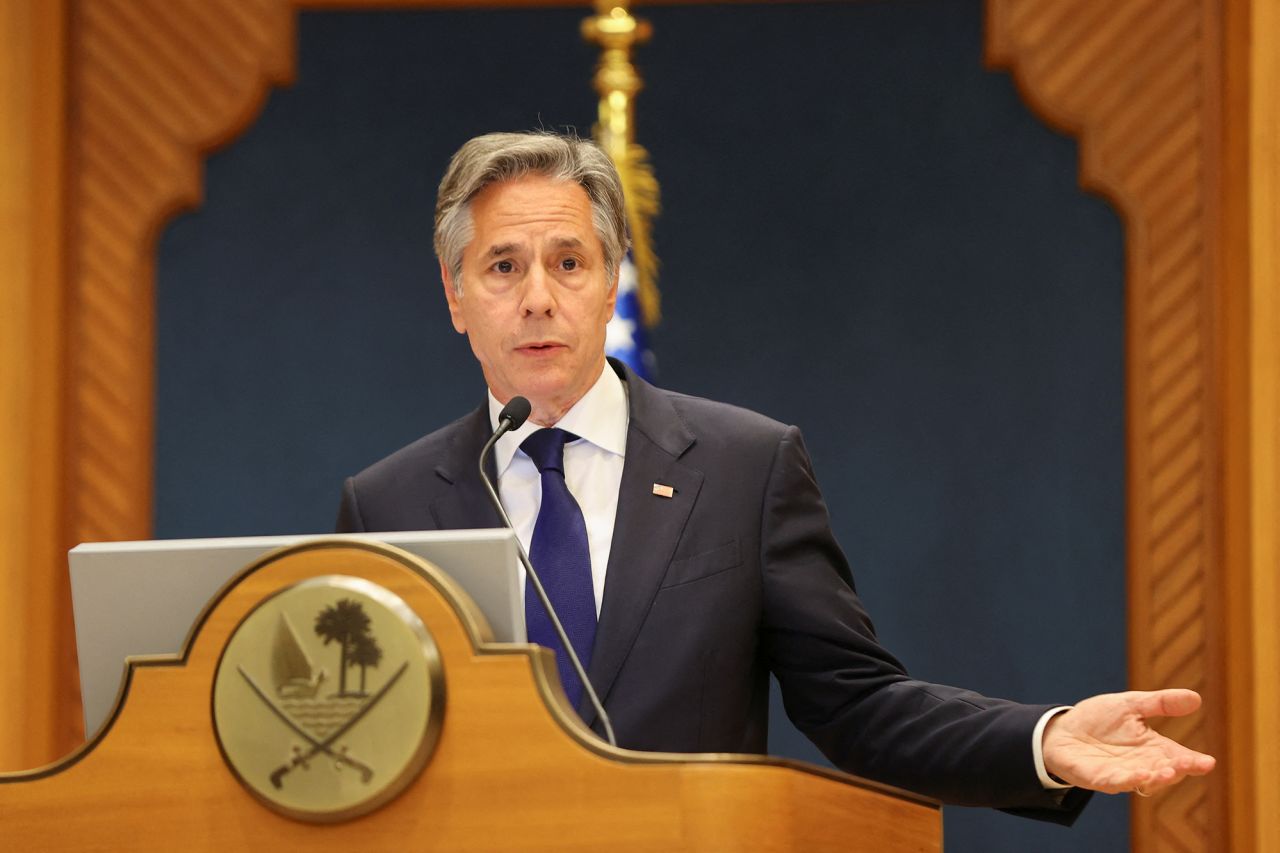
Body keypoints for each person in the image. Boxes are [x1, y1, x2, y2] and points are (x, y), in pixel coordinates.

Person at [336, 130, 1214, 823]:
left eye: (569, 262)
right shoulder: (390, 502)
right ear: (456, 298)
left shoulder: (743, 466)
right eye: (502, 267)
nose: (538, 297)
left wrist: (1043, 739)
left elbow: (858, 706)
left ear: (611, 287)